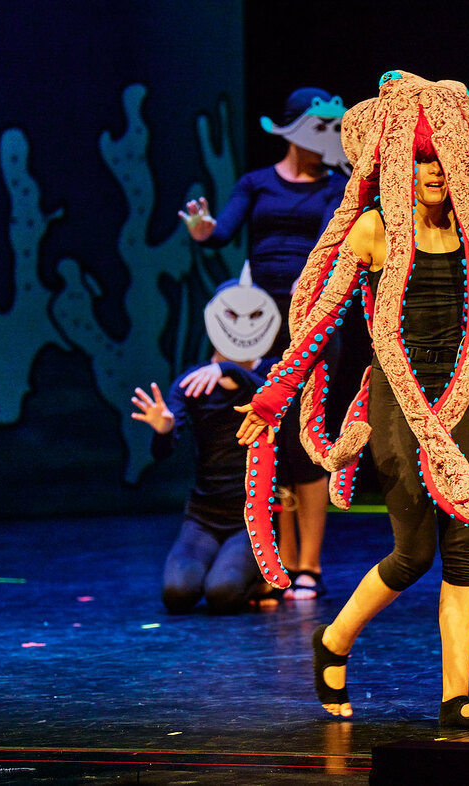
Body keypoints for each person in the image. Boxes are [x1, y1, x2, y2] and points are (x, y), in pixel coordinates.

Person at [235, 71, 469, 732]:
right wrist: (273, 397)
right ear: (400, 162)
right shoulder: (373, 229)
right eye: (421, 160)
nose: (432, 172)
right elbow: (322, 323)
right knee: (414, 554)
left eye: (441, 160)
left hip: (457, 399)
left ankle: (456, 698)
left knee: (464, 553)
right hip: (397, 399)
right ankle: (333, 640)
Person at [178, 87, 350, 600]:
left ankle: (309, 565)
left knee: (302, 442)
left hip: (311, 322)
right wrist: (203, 230)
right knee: (264, 439)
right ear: (294, 129)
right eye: (322, 128)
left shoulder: (336, 187)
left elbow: (330, 236)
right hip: (257, 323)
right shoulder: (256, 183)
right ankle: (274, 564)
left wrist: (313, 277)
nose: (332, 139)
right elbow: (222, 231)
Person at [131, 267, 281, 614]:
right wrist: (164, 429)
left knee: (222, 594)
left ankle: (260, 576)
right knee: (177, 594)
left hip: (251, 517)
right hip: (204, 515)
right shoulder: (193, 382)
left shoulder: (273, 372)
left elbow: (269, 396)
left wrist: (227, 370)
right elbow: (162, 451)